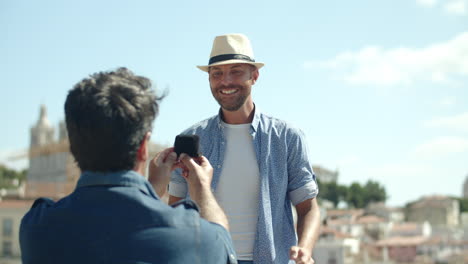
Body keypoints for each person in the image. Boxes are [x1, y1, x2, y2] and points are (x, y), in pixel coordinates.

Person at [19, 67, 237, 264]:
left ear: (73, 144)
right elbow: (223, 245)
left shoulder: (36, 227)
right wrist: (201, 190)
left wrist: (151, 189)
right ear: (144, 146)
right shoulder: (194, 236)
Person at [164, 34, 321, 264]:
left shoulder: (287, 137)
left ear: (254, 76)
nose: (226, 81)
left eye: (236, 71)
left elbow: (308, 208)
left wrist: (304, 249)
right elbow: (176, 208)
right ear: (209, 79)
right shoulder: (192, 139)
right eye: (217, 73)